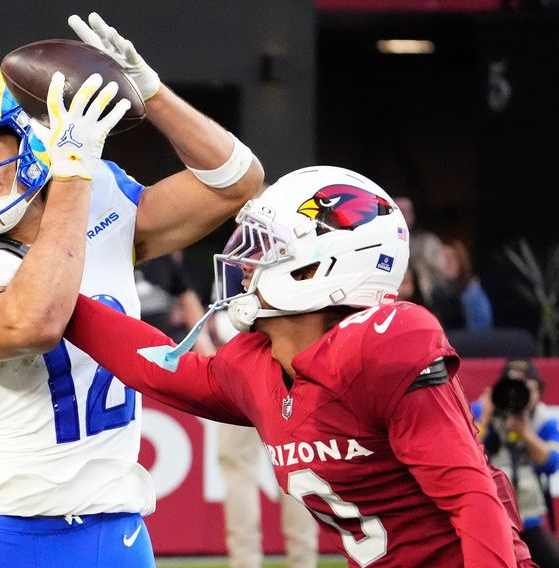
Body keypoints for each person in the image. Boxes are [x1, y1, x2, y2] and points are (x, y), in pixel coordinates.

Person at [0, 11, 263, 568]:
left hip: (114, 523)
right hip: (6, 530)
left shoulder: (102, 202)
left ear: (31, 143)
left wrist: (153, 94)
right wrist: (71, 173)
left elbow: (237, 182)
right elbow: (34, 323)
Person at [65, 165, 535, 567]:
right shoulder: (256, 364)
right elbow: (154, 368)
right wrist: (57, 299)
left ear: (321, 267)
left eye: (265, 249)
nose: (245, 265)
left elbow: (472, 499)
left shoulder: (385, 345)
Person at [213, 262, 319, 568]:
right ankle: (303, 561)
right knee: (297, 466)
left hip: (243, 369)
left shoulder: (239, 257)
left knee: (240, 472)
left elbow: (224, 323)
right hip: (288, 366)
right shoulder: (297, 252)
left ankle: (245, 562)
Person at [473, 359, 559, 567]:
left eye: (526, 389)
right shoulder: (482, 412)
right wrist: (484, 420)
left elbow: (551, 462)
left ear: (538, 392)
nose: (518, 397)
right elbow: (462, 453)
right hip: (490, 517)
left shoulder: (543, 419)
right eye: (512, 388)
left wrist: (525, 433)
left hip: (529, 518)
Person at [135, 251, 216, 353]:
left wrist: (202, 338)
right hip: (127, 334)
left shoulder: (161, 257)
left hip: (165, 338)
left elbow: (187, 296)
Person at [433, 238, 494, 331]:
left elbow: (481, 332)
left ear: (461, 261)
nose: (445, 264)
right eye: (441, 259)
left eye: (449, 259)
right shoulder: (436, 293)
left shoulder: (474, 293)